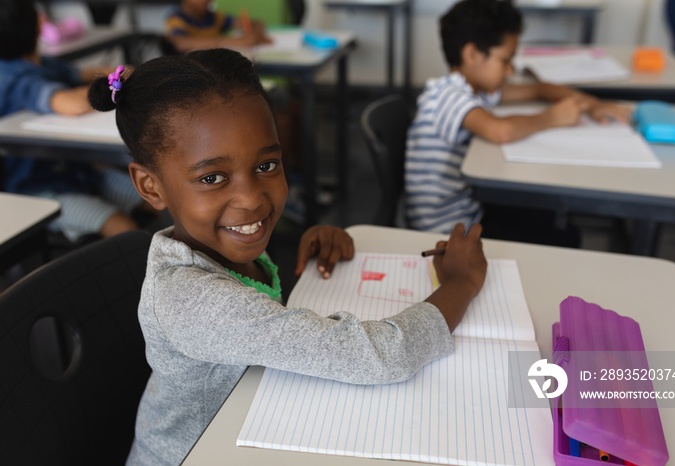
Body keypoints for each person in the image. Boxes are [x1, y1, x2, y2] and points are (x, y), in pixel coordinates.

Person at [87, 48, 488, 466]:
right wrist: (462, 283)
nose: (252, 199)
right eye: (212, 178)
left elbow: (257, 312)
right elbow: (381, 356)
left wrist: (316, 246)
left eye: (267, 165)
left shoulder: (214, 242)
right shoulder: (192, 299)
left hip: (250, 417)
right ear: (150, 187)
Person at [405, 0, 631, 235]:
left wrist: (593, 104)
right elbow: (501, 131)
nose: (511, 71)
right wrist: (552, 117)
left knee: (550, 220)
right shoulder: (447, 95)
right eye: (505, 60)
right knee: (560, 233)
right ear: (472, 54)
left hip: (469, 209)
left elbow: (538, 89)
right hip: (448, 230)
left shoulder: (474, 89)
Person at [0, 0, 147, 241]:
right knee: (124, 228)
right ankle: (146, 271)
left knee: (157, 194)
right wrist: (114, 84)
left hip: (81, 174)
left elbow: (80, 73)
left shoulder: (38, 63)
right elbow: (69, 103)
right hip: (41, 190)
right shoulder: (13, 77)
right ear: (38, 25)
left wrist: (118, 72)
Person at [164, 0, 270, 53]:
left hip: (215, 68)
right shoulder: (176, 19)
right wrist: (230, 42)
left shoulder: (215, 17)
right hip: (191, 73)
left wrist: (254, 34)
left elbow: (256, 23)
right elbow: (181, 43)